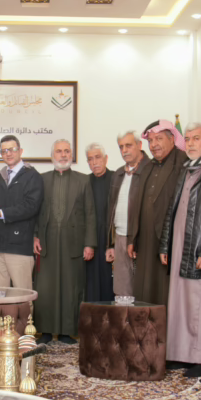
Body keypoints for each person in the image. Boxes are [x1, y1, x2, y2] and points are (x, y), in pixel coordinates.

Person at [159, 123, 201, 377]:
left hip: (199, 245)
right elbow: (172, 209)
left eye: (196, 138)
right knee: (181, 300)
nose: (191, 143)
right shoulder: (187, 168)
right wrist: (165, 243)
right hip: (179, 243)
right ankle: (184, 354)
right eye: (187, 139)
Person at [34, 140, 97, 344]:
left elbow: (90, 213)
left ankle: (66, 332)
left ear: (71, 154)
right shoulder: (41, 179)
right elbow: (35, 211)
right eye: (59, 151)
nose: (63, 155)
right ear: (52, 155)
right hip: (47, 241)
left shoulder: (83, 180)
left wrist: (89, 244)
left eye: (67, 151)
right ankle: (45, 330)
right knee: (46, 287)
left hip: (74, 242)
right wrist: (34, 236)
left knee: (71, 288)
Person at [130, 120, 186, 305]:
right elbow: (137, 204)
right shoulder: (148, 166)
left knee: (164, 289)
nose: (154, 144)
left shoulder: (183, 163)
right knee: (145, 288)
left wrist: (168, 242)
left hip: (168, 239)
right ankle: (145, 322)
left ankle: (164, 323)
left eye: (159, 139)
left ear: (172, 139)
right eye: (150, 141)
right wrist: (133, 238)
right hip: (146, 240)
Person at [0, 135, 44, 289]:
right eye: (4, 151)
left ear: (21, 151)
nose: (8, 153)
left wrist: (1, 213)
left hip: (19, 247)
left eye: (12, 149)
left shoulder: (32, 176)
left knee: (22, 295)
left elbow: (31, 206)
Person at [106, 131, 149, 297]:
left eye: (128, 145)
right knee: (122, 292)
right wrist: (110, 244)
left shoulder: (150, 170)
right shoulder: (118, 174)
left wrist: (136, 240)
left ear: (139, 145)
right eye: (121, 147)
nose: (124, 150)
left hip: (141, 240)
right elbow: (111, 211)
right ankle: (123, 316)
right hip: (120, 238)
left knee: (142, 291)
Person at [84, 143, 114, 302]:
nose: (94, 162)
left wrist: (113, 244)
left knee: (110, 284)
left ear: (106, 158)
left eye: (97, 157)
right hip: (90, 242)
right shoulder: (84, 182)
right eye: (90, 159)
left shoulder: (117, 179)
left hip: (111, 241)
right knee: (91, 286)